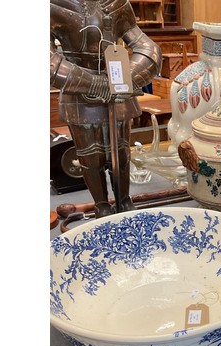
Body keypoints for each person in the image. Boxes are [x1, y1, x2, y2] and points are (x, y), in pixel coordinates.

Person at [50, 0, 162, 217]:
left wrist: (127, 78)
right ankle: (101, 205)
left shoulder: (115, 2)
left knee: (121, 152)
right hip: (79, 92)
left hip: (118, 87)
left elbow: (148, 48)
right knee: (90, 156)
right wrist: (93, 83)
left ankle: (124, 201)